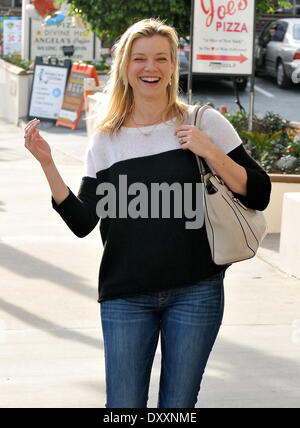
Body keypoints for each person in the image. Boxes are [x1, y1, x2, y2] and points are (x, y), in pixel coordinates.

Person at [24, 18, 271, 408]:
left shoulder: (203, 122)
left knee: (178, 405)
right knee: (122, 406)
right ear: (125, 67)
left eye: (161, 58)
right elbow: (83, 222)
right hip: (125, 295)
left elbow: (260, 194)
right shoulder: (107, 139)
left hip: (196, 290)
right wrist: (48, 164)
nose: (150, 68)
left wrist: (210, 151)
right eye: (139, 59)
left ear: (174, 65)